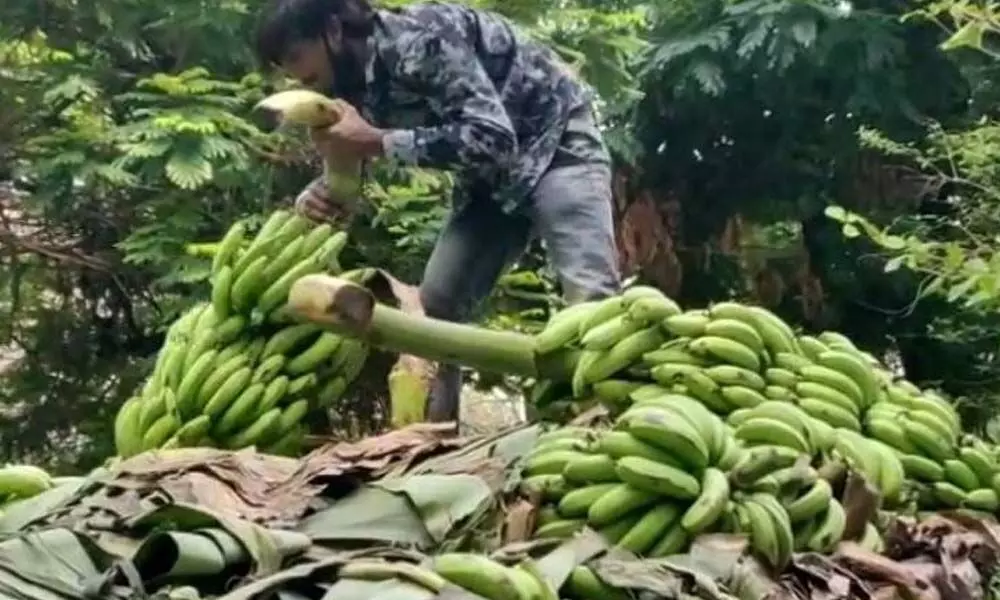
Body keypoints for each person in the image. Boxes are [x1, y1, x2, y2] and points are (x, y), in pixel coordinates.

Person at [255, 0, 622, 422]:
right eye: (284, 65)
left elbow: (493, 138)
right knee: (438, 304)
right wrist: (318, 195)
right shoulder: (344, 86)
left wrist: (379, 140)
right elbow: (349, 173)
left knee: (590, 295)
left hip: (554, 139)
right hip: (489, 179)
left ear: (334, 31)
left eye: (297, 55)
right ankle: (435, 440)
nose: (294, 74)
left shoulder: (419, 37)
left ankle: (606, 429)